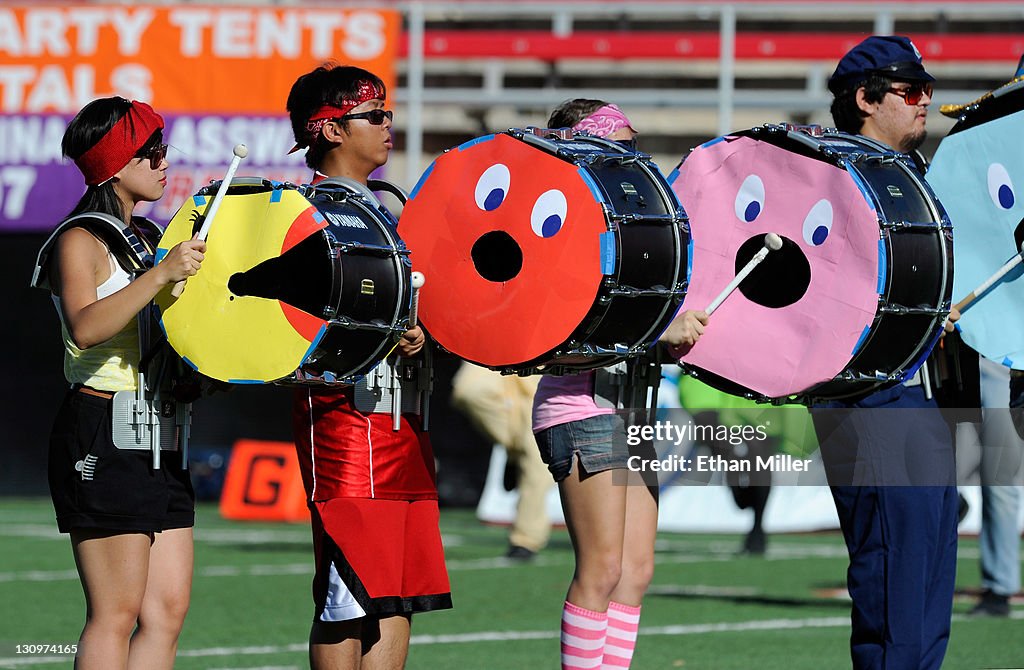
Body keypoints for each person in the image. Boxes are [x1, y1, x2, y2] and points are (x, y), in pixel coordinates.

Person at [532, 99, 709, 670]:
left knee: (635, 573)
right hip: (583, 407)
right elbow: (565, 333)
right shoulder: (560, 227)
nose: (636, 159)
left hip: (631, 410)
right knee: (602, 569)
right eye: (624, 147)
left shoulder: (633, 227)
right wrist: (658, 335)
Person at [286, 64, 452, 669]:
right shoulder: (296, 214)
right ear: (328, 129)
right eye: (374, 116)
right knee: (347, 593)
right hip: (345, 417)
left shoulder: (392, 207)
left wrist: (421, 332)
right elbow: (290, 323)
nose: (389, 125)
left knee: (397, 594)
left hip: (407, 416)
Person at [36, 97, 206, 669]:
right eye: (150, 151)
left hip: (161, 428)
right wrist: (162, 273)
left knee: (168, 612)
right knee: (115, 612)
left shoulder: (152, 233)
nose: (164, 161)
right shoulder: (78, 239)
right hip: (102, 430)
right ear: (114, 163)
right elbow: (86, 327)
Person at [816, 36, 960, 669]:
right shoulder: (829, 176)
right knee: (894, 584)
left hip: (923, 394)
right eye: (910, 90)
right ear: (865, 99)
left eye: (927, 88)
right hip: (869, 396)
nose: (926, 100)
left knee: (929, 582)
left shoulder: (912, 177)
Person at [451, 362, 553, 560]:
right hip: (506, 343)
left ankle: (525, 540)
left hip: (549, 357)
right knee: (469, 390)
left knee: (535, 456)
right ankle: (516, 451)